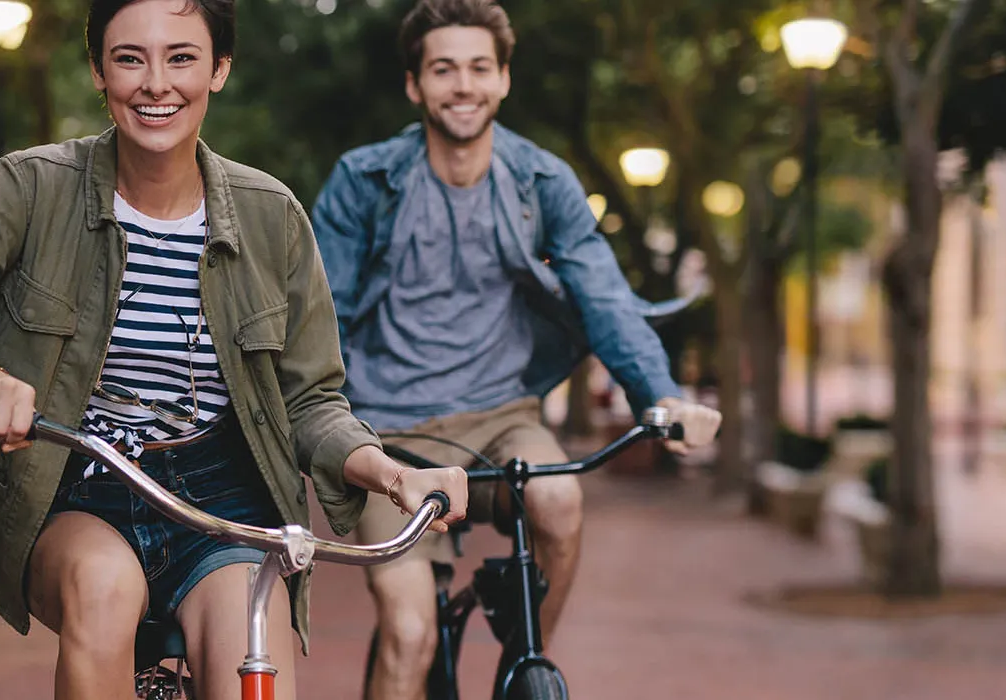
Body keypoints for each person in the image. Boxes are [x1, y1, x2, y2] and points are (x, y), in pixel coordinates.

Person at [0, 1, 469, 698]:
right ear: (97, 72)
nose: (155, 83)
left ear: (219, 70)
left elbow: (312, 402)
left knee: (252, 666)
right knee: (102, 590)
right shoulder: (31, 187)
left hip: (223, 497)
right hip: (77, 482)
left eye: (181, 57)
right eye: (128, 58)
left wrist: (392, 475)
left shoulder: (273, 217)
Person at [308, 1, 724, 697]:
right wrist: (320, 431)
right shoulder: (365, 181)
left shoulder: (542, 182)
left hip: (503, 418)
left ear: (503, 79)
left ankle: (524, 668)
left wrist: (660, 397)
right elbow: (320, 323)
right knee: (407, 634)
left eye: (478, 68)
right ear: (415, 86)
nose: (462, 85)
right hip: (387, 433)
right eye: (443, 69)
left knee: (561, 500)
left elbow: (604, 298)